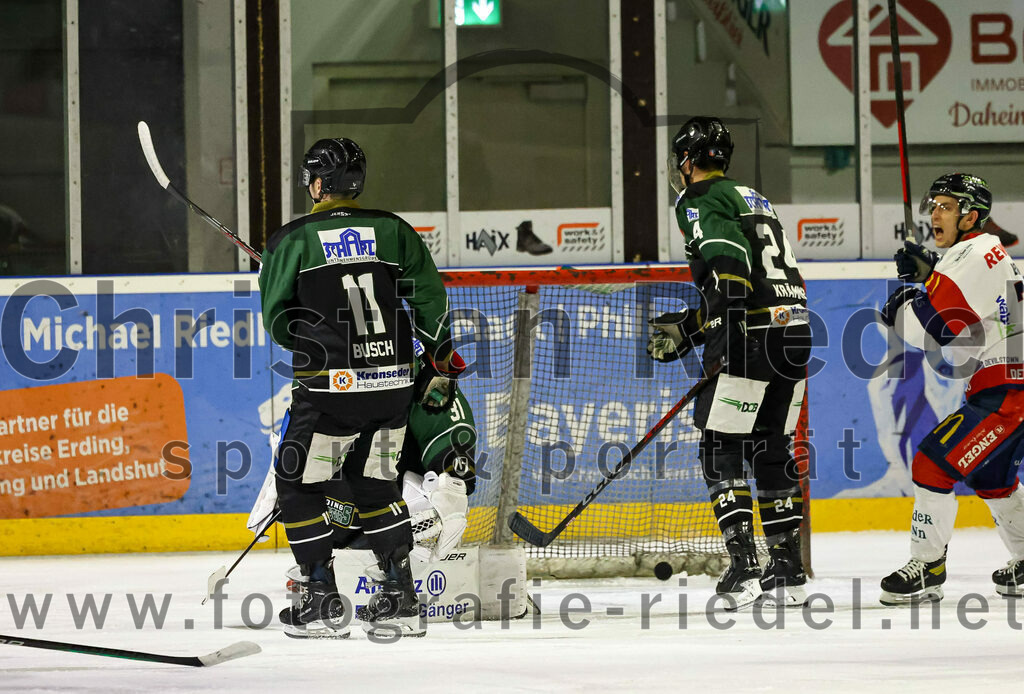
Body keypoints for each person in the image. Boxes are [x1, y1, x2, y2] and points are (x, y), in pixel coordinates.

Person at [258, 138, 464, 638]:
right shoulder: (394, 230)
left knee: (297, 484)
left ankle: (320, 601)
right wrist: (438, 355)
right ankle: (401, 599)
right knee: (375, 483)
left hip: (331, 392)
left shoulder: (291, 240)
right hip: (392, 387)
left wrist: (305, 314)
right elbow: (430, 302)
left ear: (318, 184)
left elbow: (279, 324)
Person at [647, 116, 811, 609]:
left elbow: (730, 263)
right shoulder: (753, 196)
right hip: (794, 332)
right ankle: (788, 572)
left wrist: (724, 339)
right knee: (772, 447)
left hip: (751, 337)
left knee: (720, 445)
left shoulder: (697, 198)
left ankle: (743, 570)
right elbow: (753, 279)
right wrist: (697, 326)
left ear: (687, 160)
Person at [878, 173, 1024, 605]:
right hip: (1006, 388)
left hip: (1007, 395)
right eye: (934, 206)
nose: (935, 215)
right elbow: (963, 326)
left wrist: (904, 303)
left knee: (931, 463)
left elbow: (937, 329)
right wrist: (927, 278)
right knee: (992, 479)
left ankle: (927, 568)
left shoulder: (974, 252)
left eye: (946, 207)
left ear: (971, 216)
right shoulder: (984, 252)